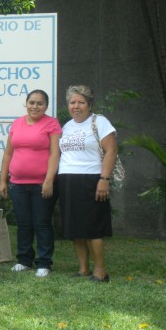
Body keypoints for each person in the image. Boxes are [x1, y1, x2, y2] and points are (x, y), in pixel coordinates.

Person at [0, 89, 62, 277]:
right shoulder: (17, 123)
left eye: (40, 103)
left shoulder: (52, 124)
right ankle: (24, 260)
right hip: (18, 183)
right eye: (32, 102)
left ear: (46, 106)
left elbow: (54, 154)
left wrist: (49, 180)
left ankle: (44, 263)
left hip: (42, 183)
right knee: (24, 223)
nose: (35, 106)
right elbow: (8, 153)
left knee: (42, 223)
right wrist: (3, 180)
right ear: (26, 103)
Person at [58, 85, 118, 283]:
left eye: (81, 102)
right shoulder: (66, 126)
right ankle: (83, 268)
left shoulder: (100, 122)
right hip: (68, 179)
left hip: (92, 179)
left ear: (89, 104)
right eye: (72, 102)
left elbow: (111, 151)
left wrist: (104, 179)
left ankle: (100, 271)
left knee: (93, 228)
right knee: (76, 228)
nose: (76, 106)